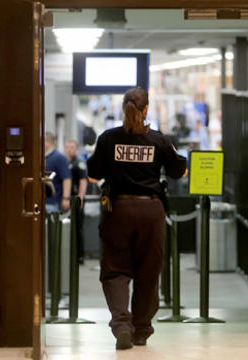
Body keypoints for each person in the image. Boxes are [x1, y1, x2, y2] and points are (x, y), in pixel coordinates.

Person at [87, 87, 187, 350]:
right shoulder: (158, 140)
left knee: (116, 270)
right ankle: (141, 330)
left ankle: (122, 324)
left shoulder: (108, 139)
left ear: (123, 109)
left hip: (118, 210)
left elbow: (93, 174)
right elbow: (179, 171)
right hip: (151, 212)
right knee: (148, 271)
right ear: (146, 110)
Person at [65, 139, 87, 263]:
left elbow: (83, 182)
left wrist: (80, 198)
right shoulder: (64, 162)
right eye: (67, 147)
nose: (69, 149)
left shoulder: (79, 163)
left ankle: (79, 255)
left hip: (76, 199)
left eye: (72, 147)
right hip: (67, 199)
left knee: (77, 227)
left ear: (76, 149)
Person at [44, 132, 71, 213]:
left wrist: (66, 198)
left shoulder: (59, 157)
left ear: (48, 142)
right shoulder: (44, 157)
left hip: (53, 202)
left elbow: (66, 179)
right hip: (44, 201)